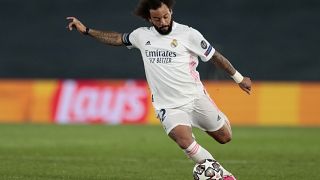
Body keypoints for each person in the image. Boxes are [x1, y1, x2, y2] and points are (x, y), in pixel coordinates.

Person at [67, 0, 251, 179]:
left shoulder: (188, 34)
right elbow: (116, 38)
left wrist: (239, 78)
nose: (163, 22)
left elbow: (214, 56)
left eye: (165, 16)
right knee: (184, 140)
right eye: (157, 19)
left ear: (171, 12)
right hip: (168, 106)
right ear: (149, 18)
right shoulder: (141, 35)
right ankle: (222, 176)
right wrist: (87, 31)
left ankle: (218, 126)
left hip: (195, 98)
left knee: (225, 137)